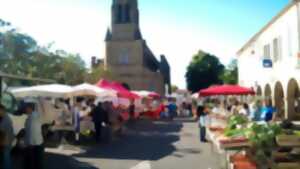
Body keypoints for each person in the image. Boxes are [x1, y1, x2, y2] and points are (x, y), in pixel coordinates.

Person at [24, 102, 44, 169]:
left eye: (26, 108)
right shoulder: (30, 117)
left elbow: (32, 132)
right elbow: (29, 131)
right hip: (33, 144)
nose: (25, 109)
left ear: (30, 108)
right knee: (35, 163)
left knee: (35, 163)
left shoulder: (34, 117)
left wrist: (29, 144)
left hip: (34, 144)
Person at [0, 104, 14, 169]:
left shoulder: (6, 119)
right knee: (5, 159)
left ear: (2, 110)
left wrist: (3, 142)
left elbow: (2, 131)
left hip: (6, 142)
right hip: (6, 142)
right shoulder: (5, 118)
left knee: (6, 159)